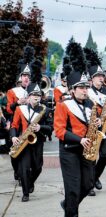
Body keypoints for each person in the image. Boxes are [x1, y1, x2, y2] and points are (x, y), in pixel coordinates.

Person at [54, 41, 98, 216]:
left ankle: (68, 205)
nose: (85, 90)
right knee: (72, 188)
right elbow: (59, 131)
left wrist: (96, 125)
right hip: (69, 150)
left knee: (88, 185)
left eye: (86, 87)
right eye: (81, 87)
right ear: (72, 90)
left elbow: (93, 123)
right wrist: (80, 139)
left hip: (86, 150)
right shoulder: (63, 106)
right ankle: (71, 212)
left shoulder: (90, 104)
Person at [10, 59, 53, 202]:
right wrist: (13, 137)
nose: (36, 98)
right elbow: (14, 125)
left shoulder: (44, 110)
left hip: (38, 141)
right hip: (23, 141)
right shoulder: (20, 109)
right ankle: (25, 193)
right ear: (28, 97)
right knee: (23, 168)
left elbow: (50, 128)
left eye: (38, 96)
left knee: (38, 167)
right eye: (33, 96)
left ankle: (30, 182)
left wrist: (40, 127)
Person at [86, 49, 106, 196]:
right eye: (98, 76)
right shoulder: (86, 92)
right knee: (92, 155)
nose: (101, 78)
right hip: (92, 127)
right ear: (92, 79)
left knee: (105, 154)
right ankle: (90, 184)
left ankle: (95, 176)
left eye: (102, 76)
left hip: (104, 127)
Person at [7, 46, 33, 181]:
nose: (26, 78)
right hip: (15, 122)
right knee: (14, 150)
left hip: (28, 123)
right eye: (24, 76)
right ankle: (17, 170)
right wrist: (18, 103)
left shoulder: (33, 91)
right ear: (20, 77)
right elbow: (8, 109)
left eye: (28, 76)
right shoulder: (12, 91)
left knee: (27, 152)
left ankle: (24, 174)